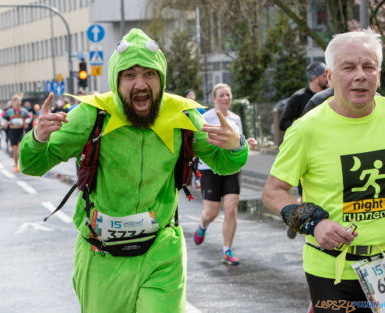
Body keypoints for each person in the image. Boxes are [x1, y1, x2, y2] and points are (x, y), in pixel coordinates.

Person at [20, 28, 248, 313]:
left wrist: (237, 145)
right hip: (102, 259)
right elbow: (31, 164)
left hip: (161, 254)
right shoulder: (93, 114)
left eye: (149, 74)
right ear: (117, 81)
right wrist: (38, 138)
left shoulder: (182, 114)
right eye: (130, 75)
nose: (140, 84)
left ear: (161, 78)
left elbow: (224, 163)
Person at [262, 29, 385, 313]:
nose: (360, 75)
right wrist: (313, 224)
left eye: (369, 67)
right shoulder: (306, 130)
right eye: (348, 67)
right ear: (329, 76)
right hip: (332, 272)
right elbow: (272, 192)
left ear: (378, 74)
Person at [193, 83, 257, 265]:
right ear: (214, 99)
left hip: (232, 169)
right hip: (209, 168)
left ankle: (226, 250)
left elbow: (238, 142)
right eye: (221, 95)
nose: (226, 98)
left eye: (228, 95)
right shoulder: (205, 118)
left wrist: (246, 143)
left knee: (231, 209)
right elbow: (201, 145)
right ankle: (203, 224)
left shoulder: (236, 119)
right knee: (211, 212)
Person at [279, 62, 328, 132]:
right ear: (314, 78)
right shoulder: (298, 97)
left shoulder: (331, 95)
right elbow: (283, 123)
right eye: (324, 76)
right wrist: (303, 127)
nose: (327, 78)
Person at [2, 95, 31, 172]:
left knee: (19, 149)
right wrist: (6, 122)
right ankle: (16, 165)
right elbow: (1, 118)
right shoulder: (9, 111)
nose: (17, 102)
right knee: (15, 151)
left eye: (18, 101)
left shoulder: (23, 111)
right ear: (12, 103)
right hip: (12, 132)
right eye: (15, 101)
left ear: (20, 102)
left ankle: (22, 163)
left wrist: (26, 122)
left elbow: (30, 117)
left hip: (20, 131)